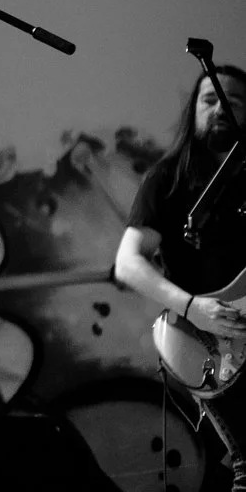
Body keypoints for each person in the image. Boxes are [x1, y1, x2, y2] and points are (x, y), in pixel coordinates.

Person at [116, 64, 246, 489]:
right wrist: (193, 307)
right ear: (193, 112)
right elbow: (128, 263)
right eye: (210, 100)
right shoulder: (167, 179)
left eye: (234, 102)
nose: (221, 109)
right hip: (207, 340)